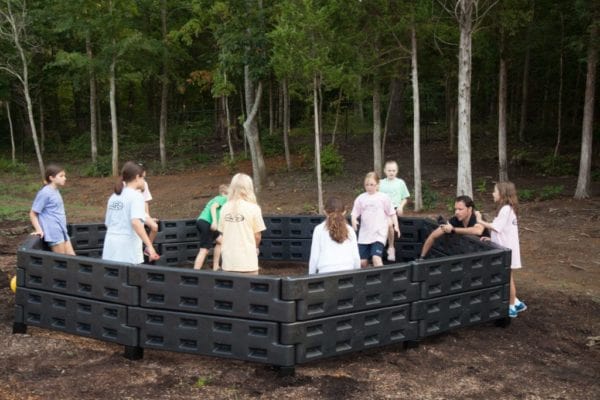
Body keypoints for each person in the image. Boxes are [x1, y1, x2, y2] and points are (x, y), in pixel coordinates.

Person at [475, 181, 527, 318]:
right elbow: (502, 229)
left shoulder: (506, 209)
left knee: (507, 277)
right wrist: (491, 240)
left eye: (495, 191)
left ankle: (511, 307)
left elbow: (496, 227)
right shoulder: (508, 209)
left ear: (502, 193)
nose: (492, 193)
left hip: (506, 251)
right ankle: (516, 302)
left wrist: (479, 220)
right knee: (507, 276)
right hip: (506, 248)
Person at [102, 161, 160, 264]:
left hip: (109, 249)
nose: (144, 182)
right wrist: (150, 247)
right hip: (127, 251)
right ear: (137, 177)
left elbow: (107, 224)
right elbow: (135, 222)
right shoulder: (136, 196)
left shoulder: (113, 197)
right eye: (143, 178)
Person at [218, 173, 266, 274]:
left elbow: (222, 233)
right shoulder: (254, 208)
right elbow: (257, 236)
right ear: (249, 187)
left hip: (228, 262)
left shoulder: (224, 208)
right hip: (248, 262)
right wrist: (256, 248)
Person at [351, 172, 399, 268]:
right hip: (364, 236)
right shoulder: (360, 198)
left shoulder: (383, 197)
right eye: (367, 185)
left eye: (372, 185)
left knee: (376, 259)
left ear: (377, 185)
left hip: (378, 234)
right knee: (362, 263)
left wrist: (396, 226)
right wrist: (353, 220)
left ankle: (382, 280)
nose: (369, 187)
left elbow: (392, 213)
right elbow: (354, 213)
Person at [418, 195, 487, 260]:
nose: (456, 212)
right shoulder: (456, 219)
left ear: (469, 209)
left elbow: (478, 230)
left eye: (460, 209)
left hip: (485, 254)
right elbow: (433, 236)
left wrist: (453, 230)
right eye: (455, 209)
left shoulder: (478, 217)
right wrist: (422, 257)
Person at [29, 164, 76, 255]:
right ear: (52, 178)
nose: (65, 178)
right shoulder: (45, 192)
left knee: (73, 260)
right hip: (53, 231)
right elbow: (33, 213)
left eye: (64, 176)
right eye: (61, 176)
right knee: (63, 262)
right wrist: (39, 230)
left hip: (62, 229)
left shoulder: (55, 190)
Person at [309, 197, 361, 274]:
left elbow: (314, 257)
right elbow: (356, 257)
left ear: (325, 212)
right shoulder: (350, 230)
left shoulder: (319, 229)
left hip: (326, 271)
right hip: (348, 270)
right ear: (344, 212)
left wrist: (311, 276)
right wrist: (357, 274)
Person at [379, 160, 410, 262]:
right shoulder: (380, 183)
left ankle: (391, 247)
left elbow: (405, 198)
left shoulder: (400, 183)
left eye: (393, 170)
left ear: (397, 171)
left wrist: (401, 206)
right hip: (381, 210)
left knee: (389, 224)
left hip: (394, 209)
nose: (391, 172)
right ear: (385, 171)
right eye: (389, 170)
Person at [193, 184, 228, 270]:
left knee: (221, 241)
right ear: (224, 193)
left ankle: (216, 267)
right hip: (207, 223)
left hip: (203, 222)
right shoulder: (223, 198)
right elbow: (213, 207)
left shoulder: (216, 198)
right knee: (204, 249)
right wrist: (214, 222)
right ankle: (195, 272)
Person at [139, 165, 159, 254]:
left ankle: (148, 248)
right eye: (141, 176)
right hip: (132, 215)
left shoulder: (144, 184)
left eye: (144, 177)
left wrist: (148, 217)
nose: (143, 178)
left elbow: (145, 201)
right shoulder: (126, 184)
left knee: (154, 227)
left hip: (142, 213)